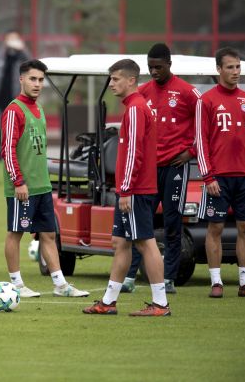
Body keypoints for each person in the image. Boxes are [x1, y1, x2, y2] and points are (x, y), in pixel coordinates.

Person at [83, 59, 171, 316]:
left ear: (131, 80)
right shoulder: (134, 107)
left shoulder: (135, 109)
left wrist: (126, 189)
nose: (111, 84)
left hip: (136, 191)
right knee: (120, 243)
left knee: (145, 243)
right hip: (133, 189)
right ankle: (108, 302)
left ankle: (160, 304)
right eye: (111, 79)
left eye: (116, 79)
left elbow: (134, 152)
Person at [1, 59, 89, 299]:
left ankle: (60, 285)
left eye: (41, 80)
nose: (37, 84)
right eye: (33, 79)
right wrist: (18, 181)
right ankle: (16, 284)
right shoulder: (13, 110)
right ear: (21, 79)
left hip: (42, 187)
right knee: (15, 233)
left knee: (48, 235)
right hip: (23, 188)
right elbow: (7, 150)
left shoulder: (39, 109)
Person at [121, 43, 202, 294]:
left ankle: (169, 278)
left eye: (158, 67)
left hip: (175, 167)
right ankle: (130, 277)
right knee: (142, 221)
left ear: (169, 65)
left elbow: (205, 124)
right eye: (150, 67)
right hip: (148, 170)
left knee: (172, 220)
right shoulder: (142, 93)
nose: (154, 71)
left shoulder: (188, 92)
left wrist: (192, 151)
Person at [196, 47, 245, 298]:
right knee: (215, 228)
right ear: (219, 69)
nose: (236, 72)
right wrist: (208, 177)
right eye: (230, 67)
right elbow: (201, 140)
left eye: (238, 66)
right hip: (218, 178)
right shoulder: (206, 101)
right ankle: (216, 282)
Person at [0, 30, 31, 160]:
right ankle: (1, 152)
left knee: (17, 125)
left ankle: (16, 154)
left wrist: (22, 49)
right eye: (9, 39)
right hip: (2, 96)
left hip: (17, 96)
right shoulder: (1, 55)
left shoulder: (22, 56)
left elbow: (31, 65)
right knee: (1, 126)